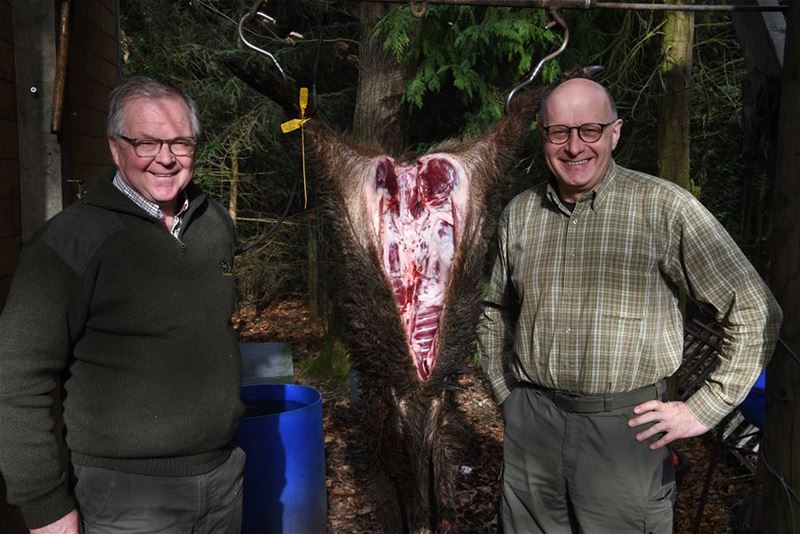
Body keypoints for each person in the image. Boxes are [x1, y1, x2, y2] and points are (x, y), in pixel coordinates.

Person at [478, 77, 782, 533]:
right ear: (543, 137)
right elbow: (493, 309)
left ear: (615, 133)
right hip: (532, 429)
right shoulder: (520, 213)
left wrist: (704, 409)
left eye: (590, 130)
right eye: (559, 132)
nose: (574, 146)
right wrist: (509, 396)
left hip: (626, 430)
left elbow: (755, 309)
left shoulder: (663, 207)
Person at [0, 76, 244, 534]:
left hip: (224, 479)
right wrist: (46, 507)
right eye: (146, 142)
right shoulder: (69, 244)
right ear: (115, 149)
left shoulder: (214, 223)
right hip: (127, 500)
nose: (165, 158)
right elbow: (13, 378)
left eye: (180, 142)